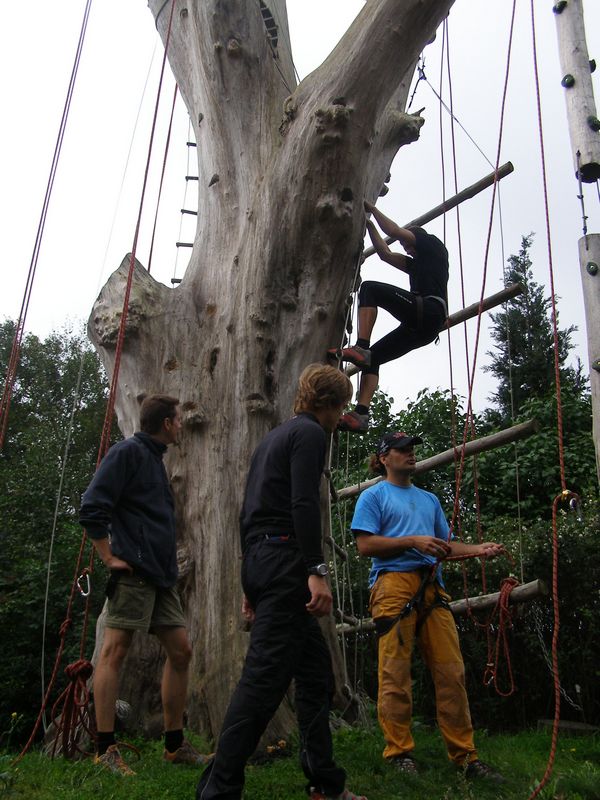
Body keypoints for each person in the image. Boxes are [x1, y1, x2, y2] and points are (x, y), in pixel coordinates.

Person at [196, 364, 367, 800]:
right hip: (288, 560)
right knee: (263, 679)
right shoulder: (310, 434)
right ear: (327, 404)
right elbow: (303, 503)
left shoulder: (271, 439)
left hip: (261, 557)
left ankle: (325, 782)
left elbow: (246, 512)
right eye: (341, 407)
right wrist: (316, 569)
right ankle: (218, 790)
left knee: (315, 676)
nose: (339, 417)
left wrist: (249, 584)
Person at [351, 431, 504, 781]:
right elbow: (365, 545)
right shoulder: (373, 497)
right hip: (392, 585)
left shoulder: (429, 500)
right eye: (402, 450)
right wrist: (413, 540)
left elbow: (444, 547)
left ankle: (465, 756)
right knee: (395, 673)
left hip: (432, 587)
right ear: (384, 458)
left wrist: (480, 549)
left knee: (452, 671)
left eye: (412, 449)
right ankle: (399, 752)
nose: (410, 454)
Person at [79, 394, 209, 775]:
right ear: (167, 424)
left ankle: (174, 745)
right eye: (179, 420)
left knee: (181, 651)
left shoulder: (154, 459)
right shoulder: (128, 453)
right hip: (134, 574)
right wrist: (107, 556)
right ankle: (106, 750)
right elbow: (92, 506)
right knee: (115, 652)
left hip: (162, 576)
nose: (182, 426)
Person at [328, 200, 449, 433]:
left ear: (416, 238)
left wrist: (371, 209)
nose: (405, 248)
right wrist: (368, 225)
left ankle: (361, 346)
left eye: (407, 243)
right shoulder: (417, 265)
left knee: (370, 290)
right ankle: (361, 415)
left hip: (429, 310)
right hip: (424, 327)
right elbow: (384, 253)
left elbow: (393, 231)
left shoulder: (432, 245)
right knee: (374, 358)